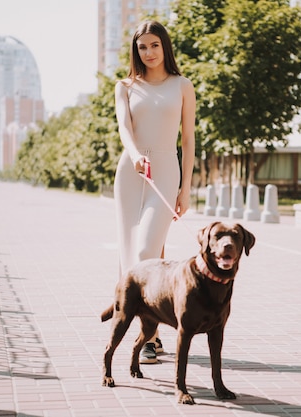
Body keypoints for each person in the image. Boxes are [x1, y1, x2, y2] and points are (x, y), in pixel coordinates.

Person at [113, 20, 196, 364]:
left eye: (154, 46)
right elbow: (123, 126)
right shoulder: (125, 86)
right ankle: (151, 336)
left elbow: (188, 140)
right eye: (142, 47)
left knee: (148, 248)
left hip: (166, 170)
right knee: (133, 253)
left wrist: (186, 188)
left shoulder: (183, 85)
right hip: (131, 173)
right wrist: (134, 156)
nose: (148, 53)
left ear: (165, 47)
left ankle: (147, 331)